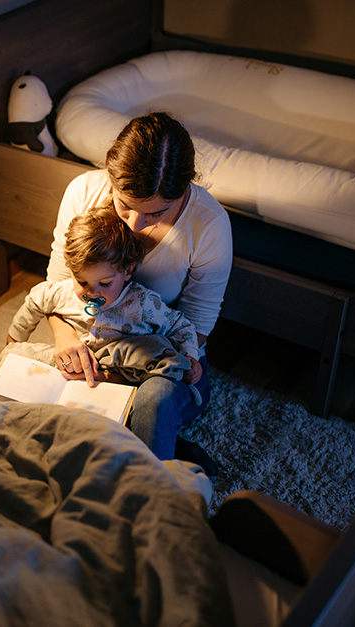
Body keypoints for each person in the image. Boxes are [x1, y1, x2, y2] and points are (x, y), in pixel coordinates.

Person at [45, 112, 232, 472]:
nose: (134, 225)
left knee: (155, 401)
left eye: (156, 213)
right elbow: (56, 284)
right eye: (125, 205)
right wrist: (64, 337)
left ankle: (145, 492)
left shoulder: (208, 224)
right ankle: (166, 449)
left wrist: (124, 370)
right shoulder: (84, 192)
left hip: (161, 354)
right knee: (32, 375)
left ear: (183, 192)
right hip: (89, 337)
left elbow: (197, 324)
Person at [4, 205, 202, 390]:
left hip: (124, 368)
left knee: (163, 364)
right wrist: (13, 339)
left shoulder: (142, 303)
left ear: (127, 270)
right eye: (82, 282)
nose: (92, 293)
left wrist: (191, 355)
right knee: (11, 355)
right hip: (74, 361)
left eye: (105, 284)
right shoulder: (60, 293)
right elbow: (35, 300)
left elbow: (180, 326)